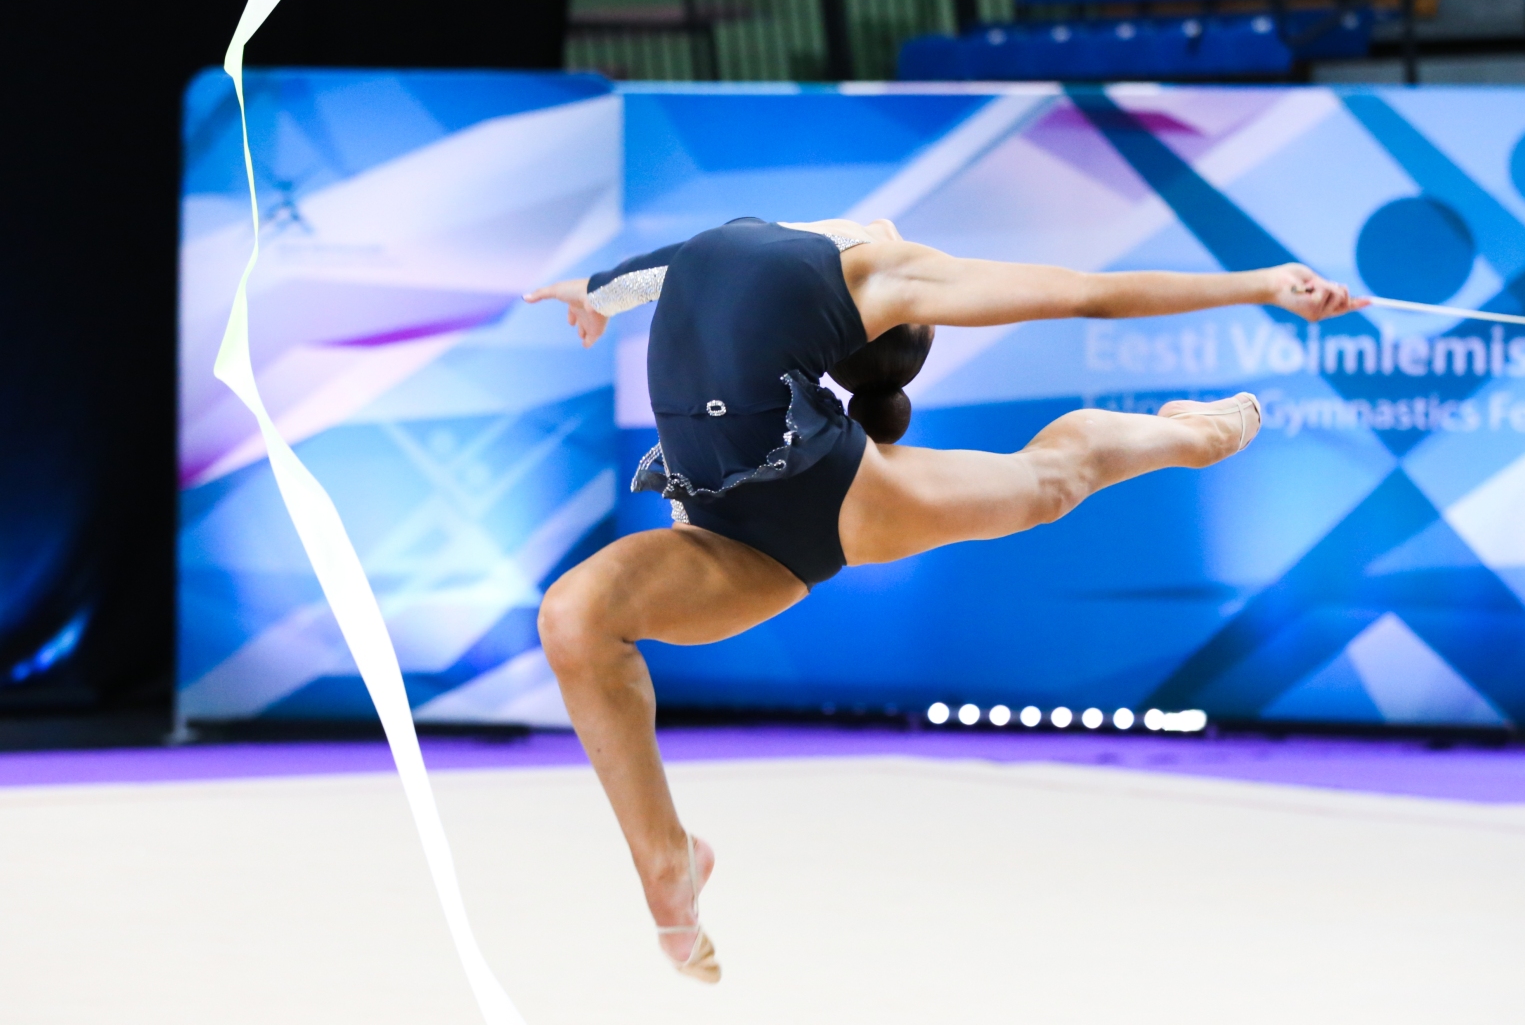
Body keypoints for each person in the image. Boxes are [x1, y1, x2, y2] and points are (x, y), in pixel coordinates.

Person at [523, 215, 1365, 982]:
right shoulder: (751, 249)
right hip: (727, 537)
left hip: (832, 498)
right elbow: (653, 272)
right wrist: (592, 291)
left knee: (1048, 482)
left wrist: (1262, 285)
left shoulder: (879, 273)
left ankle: (1194, 433)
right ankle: (666, 859)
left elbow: (1090, 294)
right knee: (575, 619)